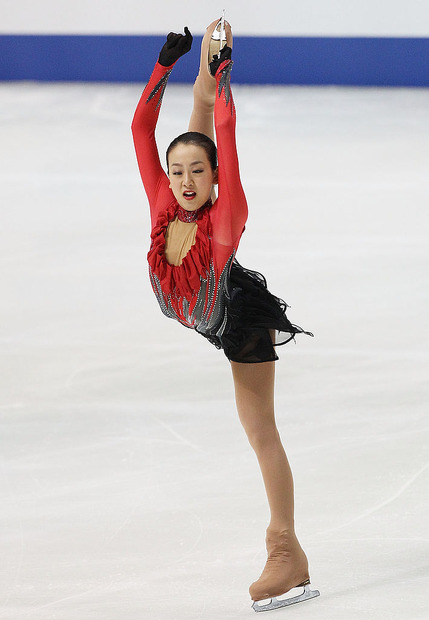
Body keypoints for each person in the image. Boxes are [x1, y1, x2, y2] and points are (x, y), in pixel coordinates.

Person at [131, 18, 320, 612]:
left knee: (260, 431)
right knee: (194, 130)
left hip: (238, 318)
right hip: (206, 315)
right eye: (178, 171)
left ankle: (286, 550)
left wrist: (225, 85)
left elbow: (226, 140)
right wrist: (163, 66)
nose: (186, 182)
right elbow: (141, 128)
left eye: (199, 173)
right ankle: (199, 85)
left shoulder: (223, 221)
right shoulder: (165, 201)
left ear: (215, 181)